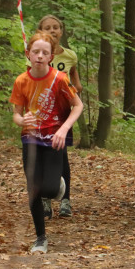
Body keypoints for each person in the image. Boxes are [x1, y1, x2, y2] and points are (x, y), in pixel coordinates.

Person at [10, 30, 83, 254]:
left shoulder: (60, 79)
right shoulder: (21, 81)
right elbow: (16, 115)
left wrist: (63, 129)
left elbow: (78, 106)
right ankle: (40, 238)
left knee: (50, 190)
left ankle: (58, 187)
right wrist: (22, 119)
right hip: (30, 139)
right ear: (28, 54)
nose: (40, 56)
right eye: (36, 52)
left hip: (54, 140)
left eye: (45, 52)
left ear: (51, 57)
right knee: (33, 190)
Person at [36, 14, 82, 217]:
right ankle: (45, 200)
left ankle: (65, 200)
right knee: (43, 156)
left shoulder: (70, 56)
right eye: (47, 28)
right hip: (42, 114)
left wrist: (73, 88)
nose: (52, 31)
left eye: (56, 27)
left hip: (62, 114)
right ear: (41, 32)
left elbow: (76, 82)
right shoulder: (38, 55)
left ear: (61, 31)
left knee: (61, 156)